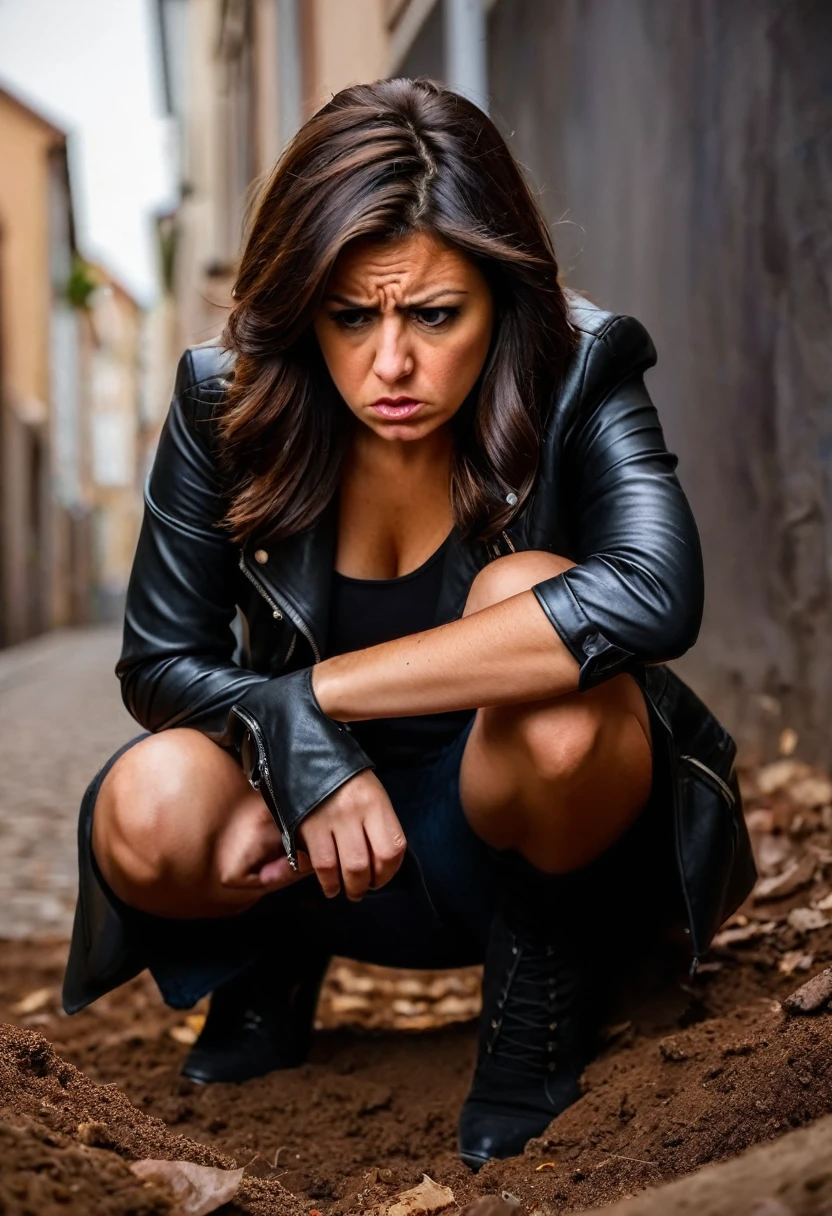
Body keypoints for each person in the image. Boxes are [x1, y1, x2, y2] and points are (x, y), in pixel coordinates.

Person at [62, 77, 755, 1170]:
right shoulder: (222, 397)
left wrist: (314, 697)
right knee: (149, 803)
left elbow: (655, 590)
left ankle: (537, 997)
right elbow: (158, 658)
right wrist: (301, 752)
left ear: (498, 294)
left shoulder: (580, 365)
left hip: (520, 834)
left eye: (434, 315)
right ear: (305, 307)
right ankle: (264, 970)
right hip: (305, 855)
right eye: (350, 316)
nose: (390, 364)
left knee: (527, 601)